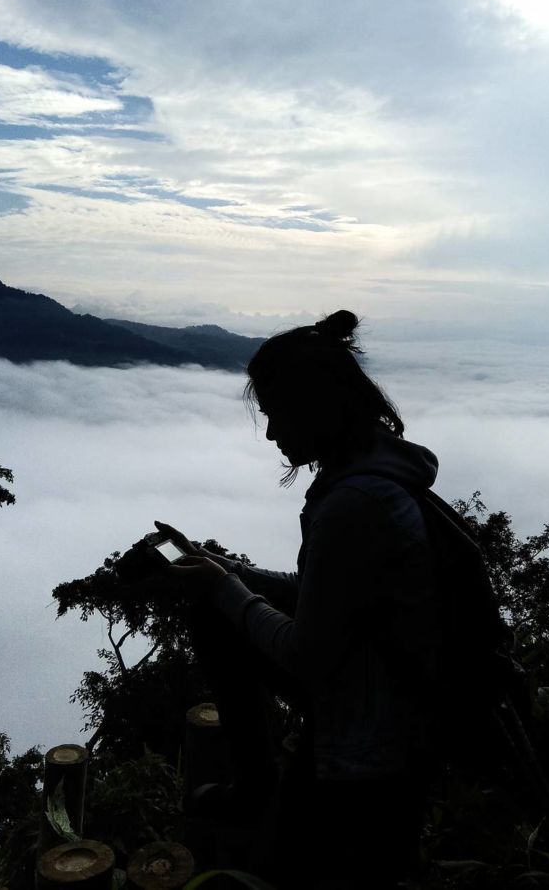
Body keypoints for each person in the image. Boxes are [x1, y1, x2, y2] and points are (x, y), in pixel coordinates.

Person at [144, 311, 443, 889]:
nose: (271, 433)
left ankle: (257, 788)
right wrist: (234, 572)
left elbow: (307, 655)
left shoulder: (357, 502)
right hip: (377, 706)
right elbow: (329, 596)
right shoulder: (374, 478)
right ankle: (258, 786)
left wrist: (224, 588)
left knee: (293, 869)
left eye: (276, 415)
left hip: (371, 747)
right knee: (216, 603)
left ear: (314, 409)